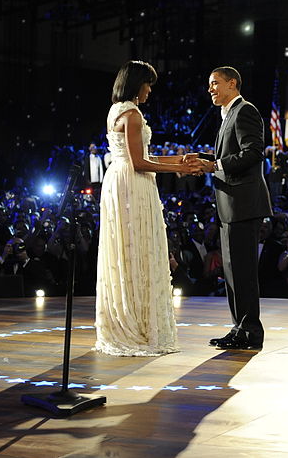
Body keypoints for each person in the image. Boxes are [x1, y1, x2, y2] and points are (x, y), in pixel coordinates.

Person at [95, 60, 202, 357]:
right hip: (132, 185)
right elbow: (139, 162)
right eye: (148, 84)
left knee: (128, 251)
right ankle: (137, 325)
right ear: (136, 84)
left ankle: (130, 316)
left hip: (123, 180)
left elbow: (140, 155)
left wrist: (178, 163)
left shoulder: (117, 110)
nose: (150, 90)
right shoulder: (132, 114)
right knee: (138, 250)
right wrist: (176, 168)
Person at [195, 66, 273, 350]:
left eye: (215, 83)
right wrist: (202, 160)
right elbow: (229, 155)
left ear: (232, 83)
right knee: (232, 272)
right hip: (231, 205)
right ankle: (240, 328)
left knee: (242, 272)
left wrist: (214, 165)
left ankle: (251, 331)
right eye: (209, 84)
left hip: (243, 204)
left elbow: (253, 153)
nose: (210, 89)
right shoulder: (228, 114)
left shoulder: (244, 111)